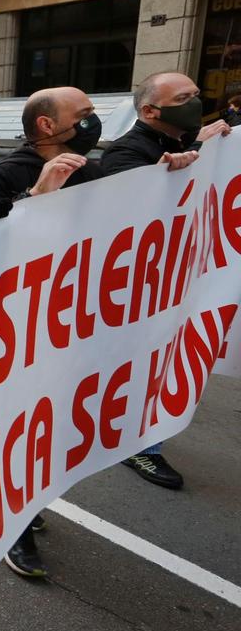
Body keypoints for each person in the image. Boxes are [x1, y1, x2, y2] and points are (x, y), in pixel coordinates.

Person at [0, 86, 104, 578]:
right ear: (47, 125)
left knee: (44, 429)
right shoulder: (8, 175)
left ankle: (24, 503)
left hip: (64, 325)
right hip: (13, 333)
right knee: (14, 426)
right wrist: (36, 197)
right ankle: (14, 528)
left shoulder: (92, 169)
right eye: (84, 113)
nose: (93, 121)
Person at [100, 71, 230, 490]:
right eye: (184, 97)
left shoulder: (181, 142)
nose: (196, 101)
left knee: (166, 361)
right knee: (145, 364)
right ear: (150, 111)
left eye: (195, 93)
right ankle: (139, 445)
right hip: (137, 290)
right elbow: (128, 220)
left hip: (175, 283)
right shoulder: (127, 153)